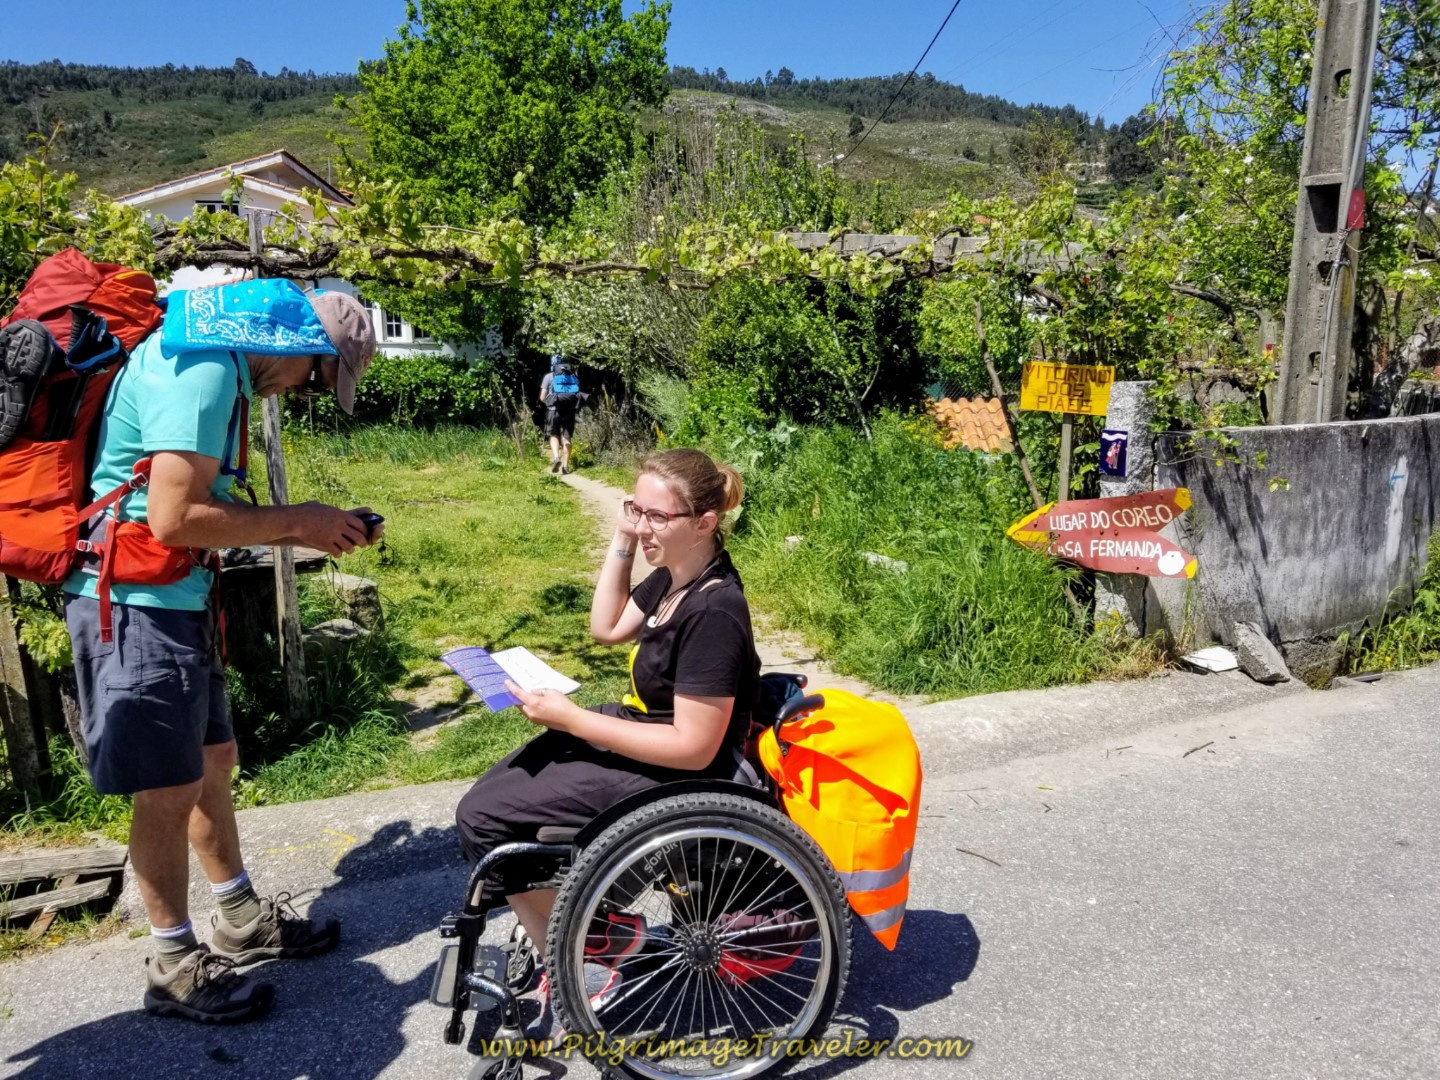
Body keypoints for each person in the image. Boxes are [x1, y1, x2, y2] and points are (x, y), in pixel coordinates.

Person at [62, 287, 381, 1024]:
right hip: (135, 606)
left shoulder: (224, 367)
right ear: (301, 343)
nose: (304, 390)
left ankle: (237, 918)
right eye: (315, 374)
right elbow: (174, 518)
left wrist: (305, 524)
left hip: (173, 600)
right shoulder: (206, 369)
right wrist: (301, 521)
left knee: (211, 763)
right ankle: (172, 963)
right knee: (167, 788)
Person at [454, 447, 759, 1035]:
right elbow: (606, 627)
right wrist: (624, 537)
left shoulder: (715, 610)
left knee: (486, 819)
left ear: (705, 523)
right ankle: (585, 930)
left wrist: (572, 721)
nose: (642, 526)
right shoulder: (675, 576)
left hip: (683, 768)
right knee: (488, 799)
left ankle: (592, 949)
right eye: (634, 509)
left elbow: (695, 747)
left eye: (655, 517)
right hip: (648, 734)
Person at [539, 353, 583, 474]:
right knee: (566, 438)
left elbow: (542, 397)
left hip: (553, 411)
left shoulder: (548, 377)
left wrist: (550, 402)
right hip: (569, 411)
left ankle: (556, 457)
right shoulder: (572, 377)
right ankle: (565, 467)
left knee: (554, 435)